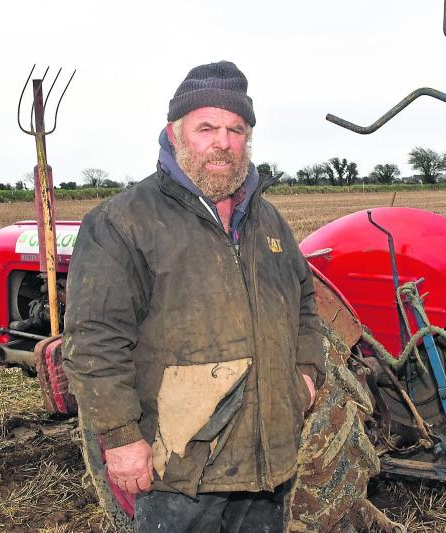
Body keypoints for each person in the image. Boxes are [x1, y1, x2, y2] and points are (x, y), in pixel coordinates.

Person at [62, 60, 326, 532]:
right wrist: (121, 437)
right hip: (181, 469)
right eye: (207, 127)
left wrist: (305, 378)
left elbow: (305, 304)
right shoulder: (123, 222)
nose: (222, 142)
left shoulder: (269, 222)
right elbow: (95, 340)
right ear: (175, 133)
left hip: (266, 466)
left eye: (236, 129)